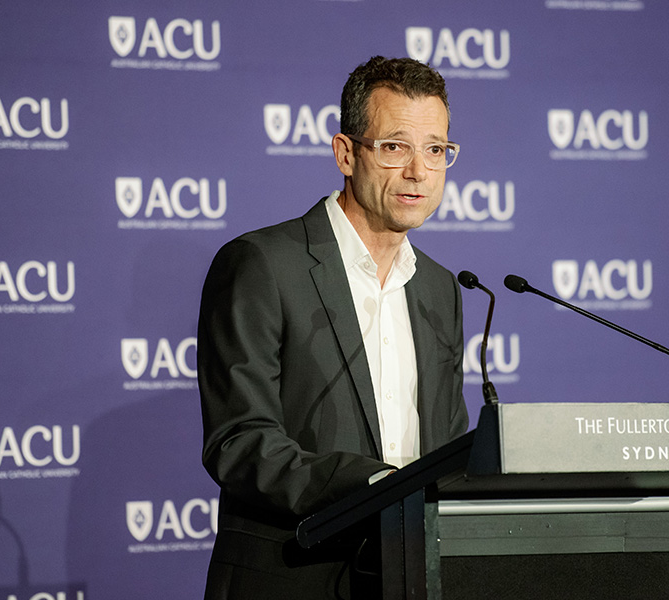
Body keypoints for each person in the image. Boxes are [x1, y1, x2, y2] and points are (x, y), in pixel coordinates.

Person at [197, 56, 469, 599]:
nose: (419, 170)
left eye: (436, 149)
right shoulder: (262, 264)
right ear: (347, 154)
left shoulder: (441, 288)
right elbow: (239, 440)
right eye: (395, 146)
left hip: (412, 577)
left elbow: (448, 443)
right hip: (294, 575)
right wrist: (373, 485)